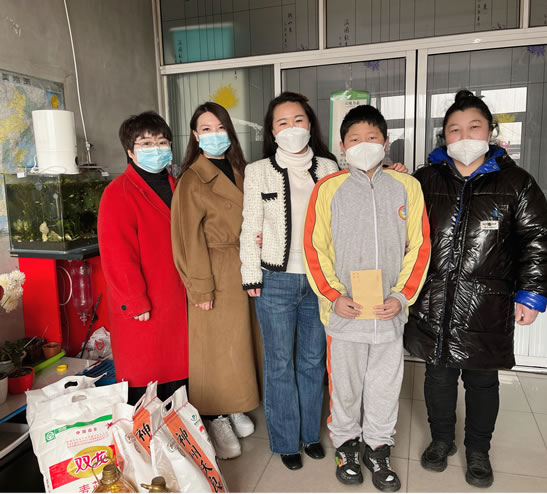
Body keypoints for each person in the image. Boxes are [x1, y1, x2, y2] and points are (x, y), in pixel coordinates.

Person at [404, 89, 547, 488]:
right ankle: (441, 440)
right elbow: (400, 230)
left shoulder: (516, 183)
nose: (464, 136)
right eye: (455, 129)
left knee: (482, 381)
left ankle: (477, 450)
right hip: (434, 299)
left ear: (490, 132)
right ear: (444, 136)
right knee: (438, 378)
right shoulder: (424, 180)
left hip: (487, 305)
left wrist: (531, 294)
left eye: (474, 127)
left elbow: (537, 241)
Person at [303, 104, 431, 492]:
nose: (364, 145)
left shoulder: (407, 186)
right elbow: (314, 247)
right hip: (345, 312)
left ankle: (378, 448)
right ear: (342, 147)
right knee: (345, 387)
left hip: (389, 312)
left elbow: (419, 246)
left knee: (385, 386)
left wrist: (402, 296)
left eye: (372, 137)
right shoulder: (329, 189)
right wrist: (332, 295)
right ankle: (346, 446)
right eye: (354, 139)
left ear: (385, 142)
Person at [239, 92, 338, 470]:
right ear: (272, 130)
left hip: (319, 280)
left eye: (298, 120)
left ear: (310, 124)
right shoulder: (258, 171)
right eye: (283, 122)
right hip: (275, 281)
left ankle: (310, 434)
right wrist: (251, 274)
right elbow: (250, 227)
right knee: (280, 363)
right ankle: (285, 441)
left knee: (313, 361)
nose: (292, 128)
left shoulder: (329, 168)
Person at [171, 102, 262, 460]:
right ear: (195, 135)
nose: (214, 135)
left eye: (219, 127)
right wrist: (200, 286)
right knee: (214, 348)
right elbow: (186, 239)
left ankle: (235, 403)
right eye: (205, 129)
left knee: (238, 343)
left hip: (245, 264)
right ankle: (215, 415)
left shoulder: (241, 169)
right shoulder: (192, 179)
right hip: (213, 266)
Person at [98, 111, 188, 405]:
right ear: (130, 150)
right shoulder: (118, 192)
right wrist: (134, 300)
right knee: (147, 375)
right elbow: (117, 254)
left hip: (178, 295)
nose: (156, 149)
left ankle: (181, 429)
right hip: (145, 299)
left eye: (162, 142)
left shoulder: (179, 185)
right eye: (146, 143)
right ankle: (148, 432)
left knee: (180, 371)